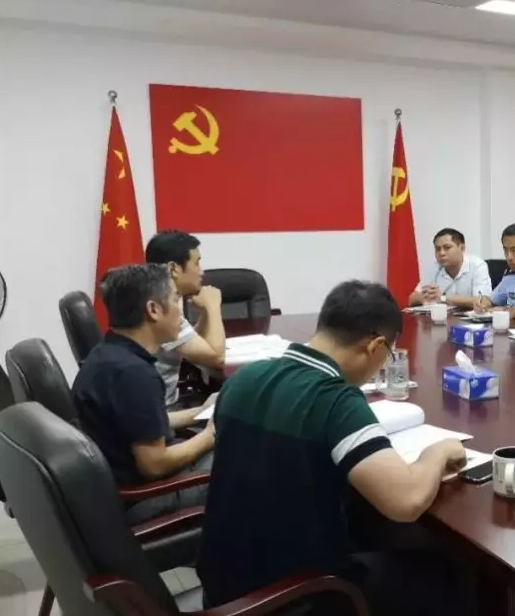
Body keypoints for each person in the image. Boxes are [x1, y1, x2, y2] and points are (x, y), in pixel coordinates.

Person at [197, 280, 469, 614]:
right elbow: (406, 501)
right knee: (448, 573)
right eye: (387, 356)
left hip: (221, 589)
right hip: (294, 598)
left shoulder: (242, 378)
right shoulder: (335, 399)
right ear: (376, 346)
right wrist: (437, 452)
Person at [71, 264, 215, 523]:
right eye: (175, 299)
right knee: (247, 458)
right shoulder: (134, 374)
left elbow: (139, 424)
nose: (181, 310)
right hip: (141, 500)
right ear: (153, 309)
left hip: (115, 491)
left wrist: (201, 411)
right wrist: (210, 435)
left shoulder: (109, 354)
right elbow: (154, 464)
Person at [145, 230, 226, 407]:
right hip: (164, 410)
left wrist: (204, 312)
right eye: (196, 263)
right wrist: (213, 306)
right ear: (173, 268)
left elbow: (194, 343)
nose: (201, 272)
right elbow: (218, 358)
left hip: (167, 402)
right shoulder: (160, 308)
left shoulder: (154, 297)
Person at [408, 228, 491, 310]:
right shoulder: (434, 267)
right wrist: (426, 297)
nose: (441, 253)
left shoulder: (477, 265)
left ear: (462, 248)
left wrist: (443, 298)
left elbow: (482, 302)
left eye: (447, 248)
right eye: (438, 249)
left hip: (470, 318)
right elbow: (411, 300)